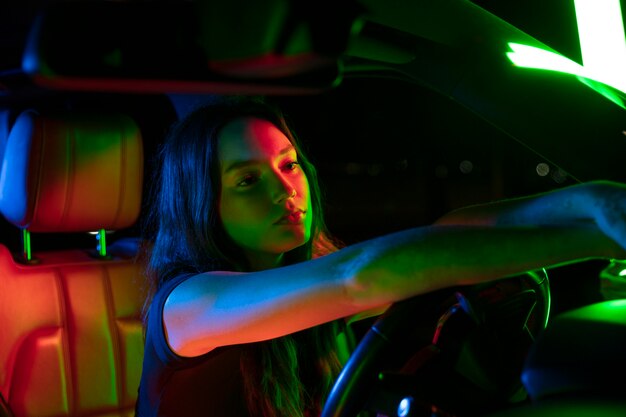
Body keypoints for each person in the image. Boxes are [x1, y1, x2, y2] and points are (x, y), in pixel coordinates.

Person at [136, 96, 626, 416]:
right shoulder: (188, 305)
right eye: (248, 181)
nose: (286, 190)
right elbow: (359, 278)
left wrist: (595, 202)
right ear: (201, 201)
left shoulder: (301, 279)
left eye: (289, 165)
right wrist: (600, 241)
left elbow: (443, 236)